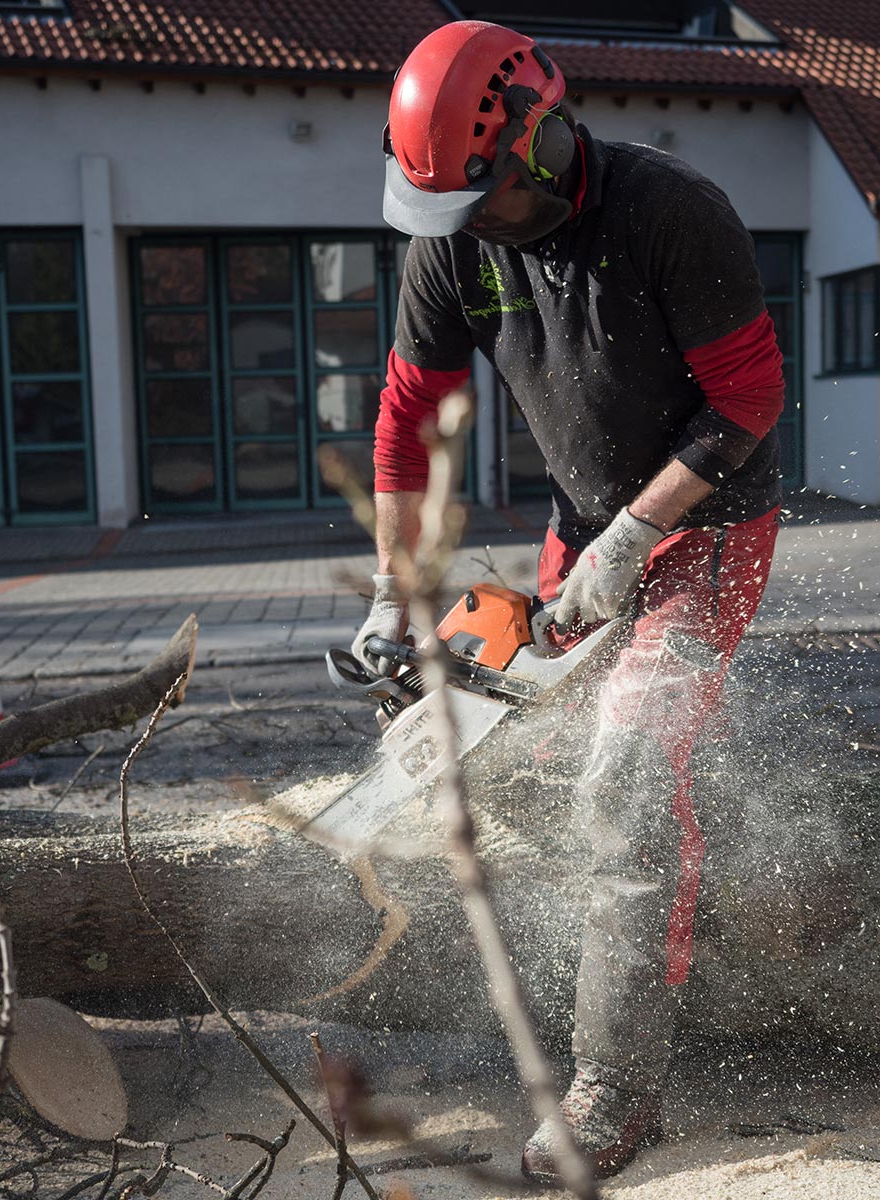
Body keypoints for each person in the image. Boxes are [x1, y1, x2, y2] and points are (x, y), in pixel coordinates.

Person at [351, 19, 784, 1183]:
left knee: (629, 773)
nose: (465, 223)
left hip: (709, 526)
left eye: (481, 196)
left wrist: (642, 533)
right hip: (579, 529)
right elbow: (408, 416)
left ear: (541, 140)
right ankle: (609, 917)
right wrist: (396, 588)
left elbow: (750, 399)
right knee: (532, 746)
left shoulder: (669, 210)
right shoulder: (452, 238)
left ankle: (614, 1087)